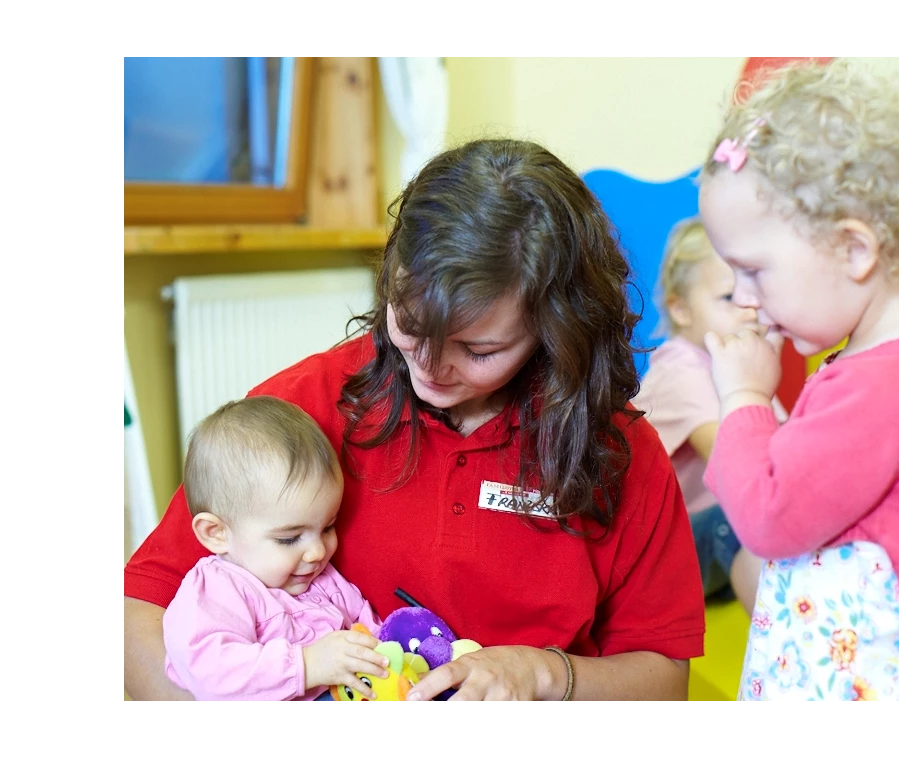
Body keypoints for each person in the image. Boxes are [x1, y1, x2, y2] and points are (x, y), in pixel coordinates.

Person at [124, 137, 706, 702]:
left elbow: (661, 678)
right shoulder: (303, 410)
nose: (428, 369)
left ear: (557, 330)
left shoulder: (619, 453)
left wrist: (544, 675)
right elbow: (141, 608)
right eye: (408, 323)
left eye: (477, 350)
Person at [697, 59, 899, 701]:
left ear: (854, 250)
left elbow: (764, 517)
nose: (742, 297)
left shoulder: (880, 387)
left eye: (753, 270)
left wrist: (744, 397)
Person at [161, 396, 388, 700]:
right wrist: (307, 665)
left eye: (327, 527)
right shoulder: (214, 591)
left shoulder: (322, 577)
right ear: (216, 533)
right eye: (289, 538)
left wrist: (389, 652)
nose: (317, 551)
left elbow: (369, 631)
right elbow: (211, 675)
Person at [632, 216, 786, 617]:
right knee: (746, 517)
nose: (751, 308)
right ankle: (781, 638)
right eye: (729, 296)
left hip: (706, 551)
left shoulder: (740, 362)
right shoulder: (682, 371)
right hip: (659, 564)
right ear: (681, 310)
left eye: (757, 290)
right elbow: (747, 471)